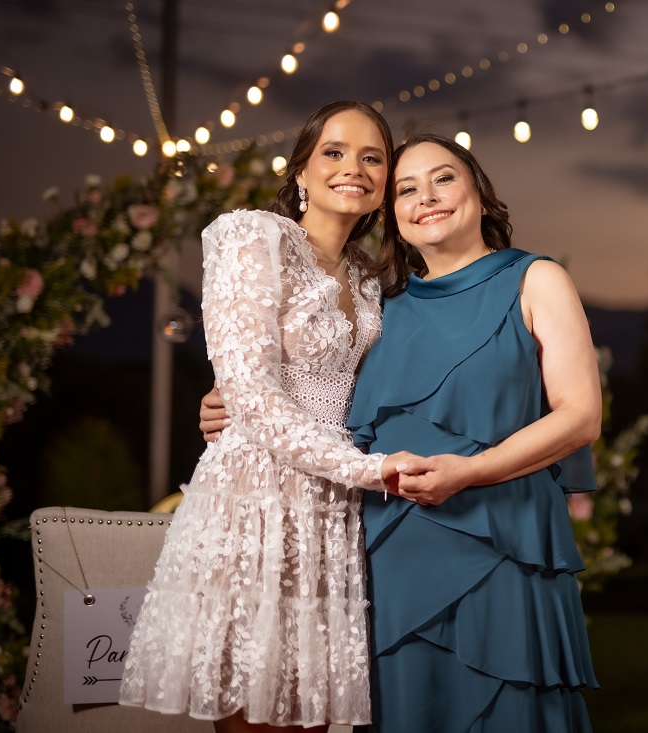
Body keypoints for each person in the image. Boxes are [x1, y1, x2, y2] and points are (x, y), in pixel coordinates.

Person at [206, 132, 603, 731]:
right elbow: (319, 387)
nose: (427, 198)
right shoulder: (381, 306)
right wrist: (228, 395)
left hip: (502, 544)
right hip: (390, 554)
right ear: (391, 214)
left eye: (443, 179)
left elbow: (580, 416)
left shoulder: (537, 279)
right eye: (406, 189)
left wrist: (471, 471)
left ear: (480, 194)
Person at [120, 100, 418, 733]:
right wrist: (373, 469)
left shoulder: (370, 279)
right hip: (257, 499)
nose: (354, 168)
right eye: (333, 153)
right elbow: (251, 393)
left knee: (314, 715)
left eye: (373, 157)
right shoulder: (253, 235)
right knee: (256, 712)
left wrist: (362, 471)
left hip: (333, 511)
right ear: (301, 172)